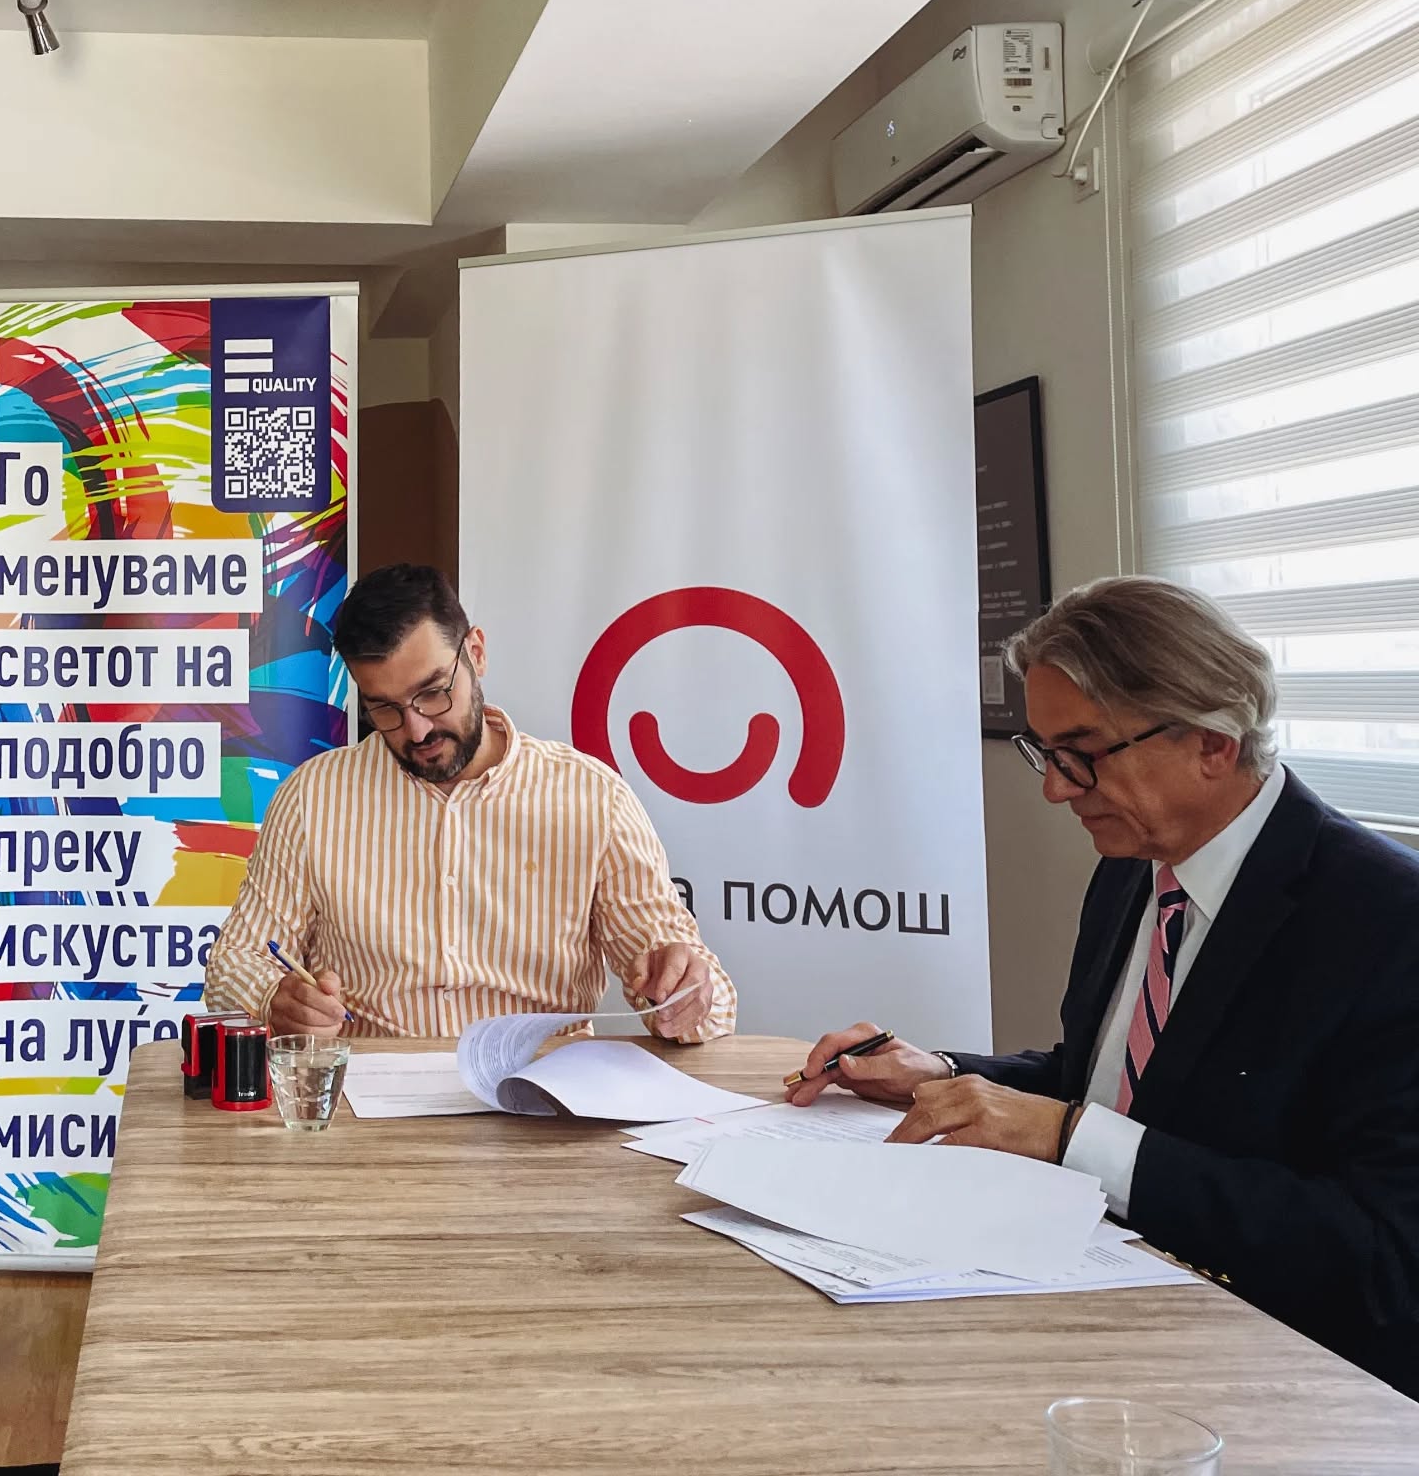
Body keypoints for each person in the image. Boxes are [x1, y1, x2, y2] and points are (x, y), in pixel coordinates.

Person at [788, 576, 1419, 1395]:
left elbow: (1384, 1255)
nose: (1054, 788)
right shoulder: (1134, 867)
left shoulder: (1386, 922)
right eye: (1046, 753)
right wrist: (943, 1076)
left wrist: (1069, 1135)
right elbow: (1115, 1086)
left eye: (1082, 754)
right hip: (1099, 1314)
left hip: (1283, 1376)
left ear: (1212, 742)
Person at [206, 563, 736, 1043]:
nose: (417, 729)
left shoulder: (592, 798)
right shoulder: (314, 797)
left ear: (476, 653)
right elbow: (235, 961)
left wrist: (682, 993)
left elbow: (705, 1003)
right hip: (369, 1102)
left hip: (540, 1097)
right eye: (385, 709)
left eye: (433, 692)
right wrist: (274, 998)